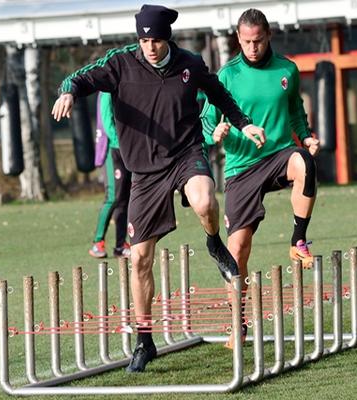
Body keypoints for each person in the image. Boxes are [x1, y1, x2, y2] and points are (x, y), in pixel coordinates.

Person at [52, 4, 265, 373]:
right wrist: (68, 91)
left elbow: (220, 96)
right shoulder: (120, 63)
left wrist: (243, 123)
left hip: (185, 153)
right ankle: (144, 339)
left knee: (203, 201)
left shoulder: (189, 63)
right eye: (144, 39)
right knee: (139, 259)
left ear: (168, 38)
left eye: (156, 39)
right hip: (144, 172)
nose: (150, 46)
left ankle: (214, 242)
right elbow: (81, 77)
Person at [201, 8, 320, 348]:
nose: (251, 48)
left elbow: (296, 110)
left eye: (257, 41)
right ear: (237, 39)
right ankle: (237, 324)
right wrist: (217, 133)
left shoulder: (287, 69)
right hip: (241, 167)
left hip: (279, 153)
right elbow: (207, 120)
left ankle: (298, 241)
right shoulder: (227, 75)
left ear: (268, 36)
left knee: (304, 163)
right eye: (245, 42)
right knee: (237, 249)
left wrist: (307, 136)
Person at [89, 92, 132, 259]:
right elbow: (107, 122)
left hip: (125, 150)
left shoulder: (126, 85)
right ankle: (97, 242)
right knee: (113, 197)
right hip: (112, 151)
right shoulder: (106, 90)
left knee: (124, 198)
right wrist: (121, 144)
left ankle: (120, 245)